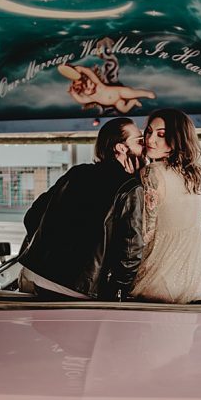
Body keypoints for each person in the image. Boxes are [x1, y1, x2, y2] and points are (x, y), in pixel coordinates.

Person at [18, 117, 146, 300]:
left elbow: (32, 216)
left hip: (35, 274)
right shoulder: (130, 188)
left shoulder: (76, 173)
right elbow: (130, 253)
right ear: (121, 147)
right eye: (139, 141)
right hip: (78, 288)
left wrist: (47, 250)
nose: (145, 147)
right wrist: (116, 293)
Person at [130, 108, 201, 304]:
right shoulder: (196, 174)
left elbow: (145, 233)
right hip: (197, 278)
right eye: (149, 132)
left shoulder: (152, 172)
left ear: (177, 138)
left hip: (159, 276)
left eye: (161, 135)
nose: (150, 140)